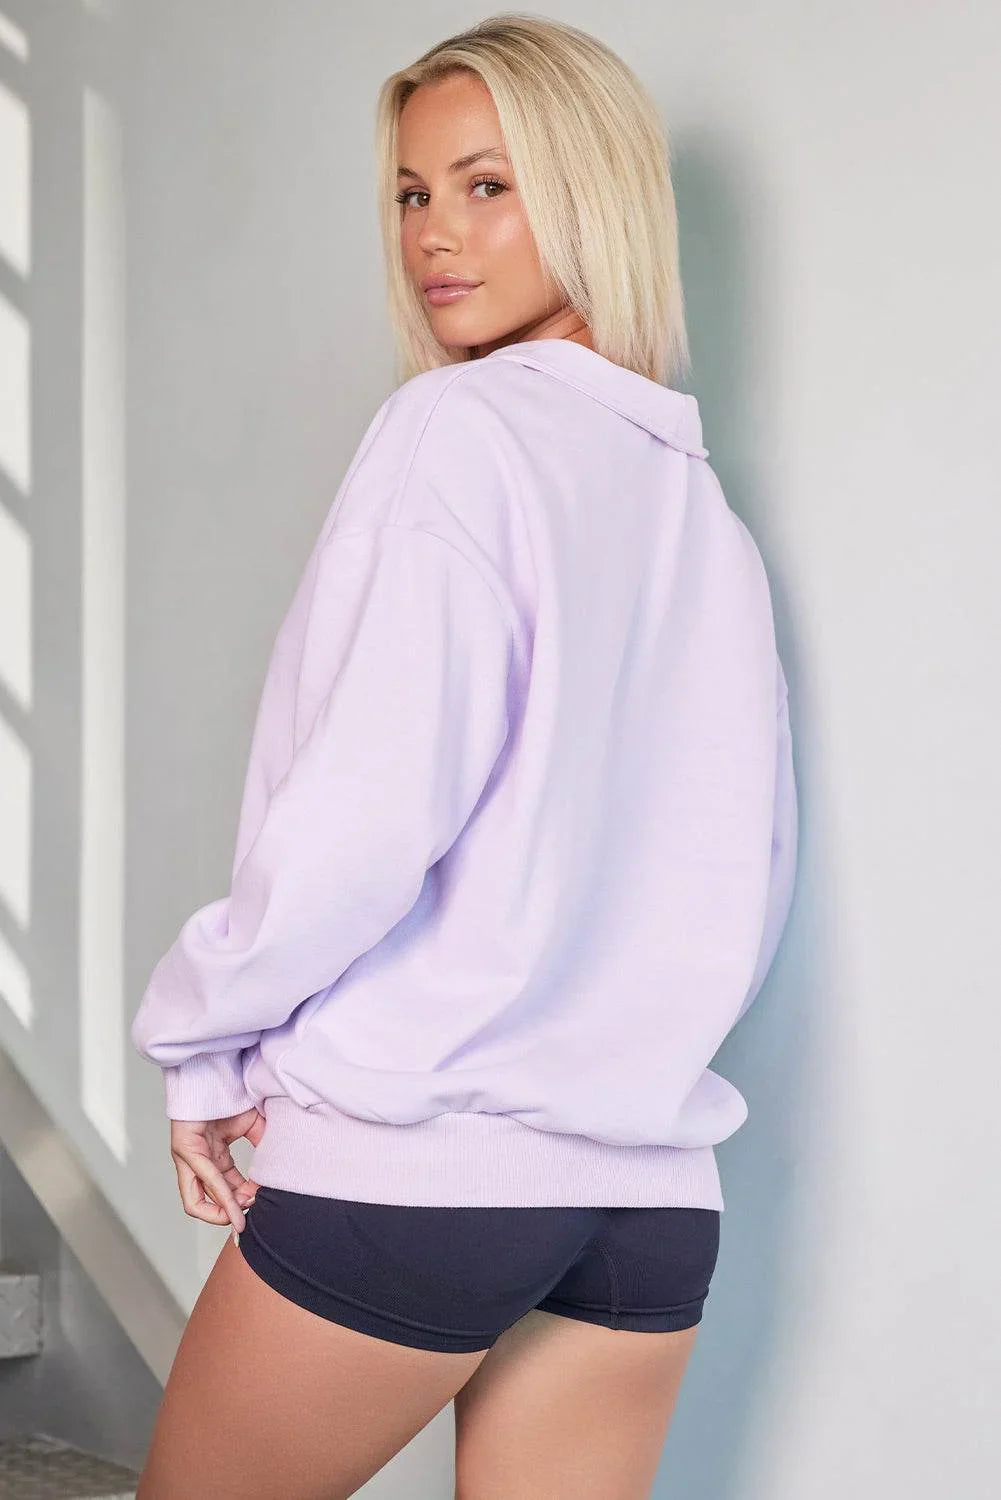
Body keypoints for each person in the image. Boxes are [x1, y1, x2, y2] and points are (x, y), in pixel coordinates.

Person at [130, 13, 798, 1499]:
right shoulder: (703, 516)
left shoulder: (458, 430)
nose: (435, 233)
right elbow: (743, 876)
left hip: (423, 1169)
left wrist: (205, 1035)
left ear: (590, 194)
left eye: (488, 185)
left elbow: (364, 810)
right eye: (411, 193)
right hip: (646, 1201)